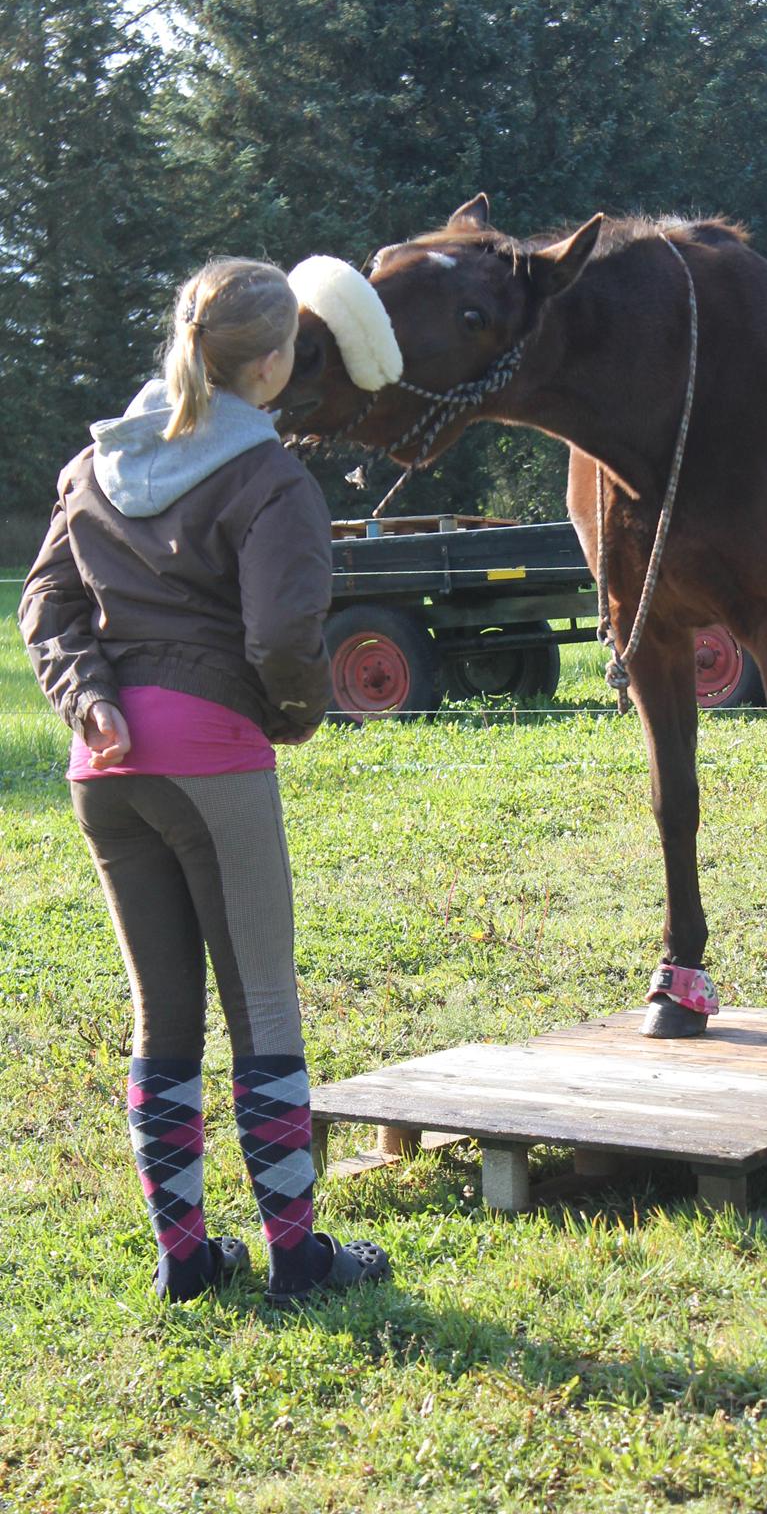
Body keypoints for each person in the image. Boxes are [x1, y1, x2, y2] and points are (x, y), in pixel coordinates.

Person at [19, 257, 389, 1305]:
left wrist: (88, 696)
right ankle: (298, 1257)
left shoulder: (97, 464)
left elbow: (46, 609)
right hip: (210, 757)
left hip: (104, 767)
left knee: (162, 1011)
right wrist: (296, 714)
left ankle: (184, 1256)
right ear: (270, 365)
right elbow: (281, 636)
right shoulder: (269, 477)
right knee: (264, 1004)